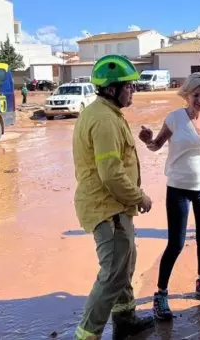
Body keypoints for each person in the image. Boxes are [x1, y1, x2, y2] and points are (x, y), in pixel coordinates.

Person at [72, 55, 154, 340]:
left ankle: (125, 319)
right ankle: (87, 334)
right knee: (112, 274)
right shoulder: (105, 120)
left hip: (115, 207)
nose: (133, 91)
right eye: (128, 86)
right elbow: (111, 173)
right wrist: (140, 197)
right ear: (111, 89)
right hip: (108, 209)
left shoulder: (105, 113)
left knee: (123, 265)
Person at [138, 72, 200, 321]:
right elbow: (156, 145)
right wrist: (147, 141)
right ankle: (161, 294)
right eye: (195, 95)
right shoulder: (174, 119)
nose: (199, 100)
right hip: (178, 188)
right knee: (175, 243)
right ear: (186, 95)